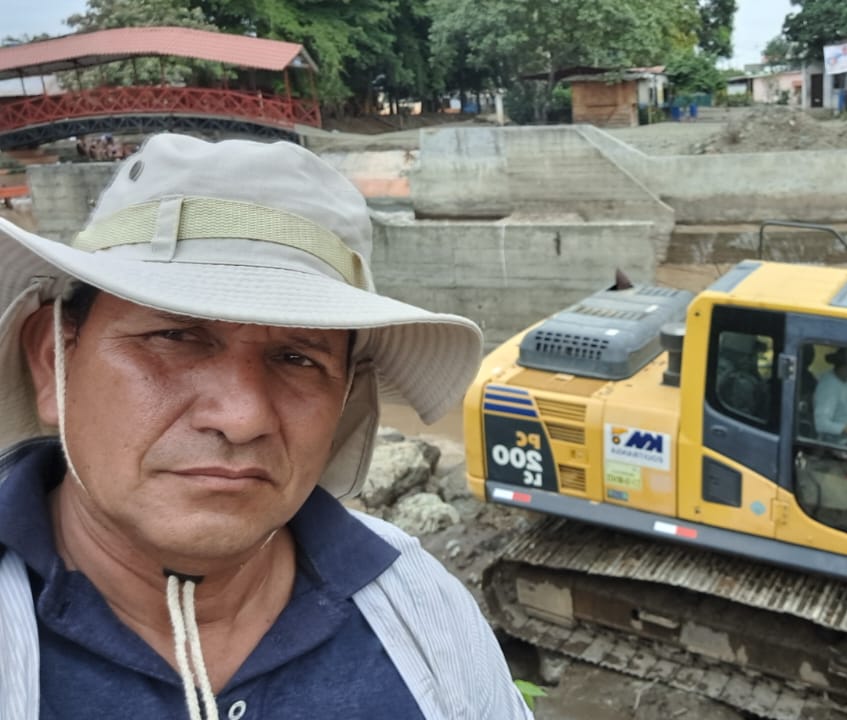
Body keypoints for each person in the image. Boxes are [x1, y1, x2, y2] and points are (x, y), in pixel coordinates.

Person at [0, 135, 533, 719]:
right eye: (174, 337)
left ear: (345, 400)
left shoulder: (422, 611)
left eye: (297, 359)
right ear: (52, 361)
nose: (242, 418)